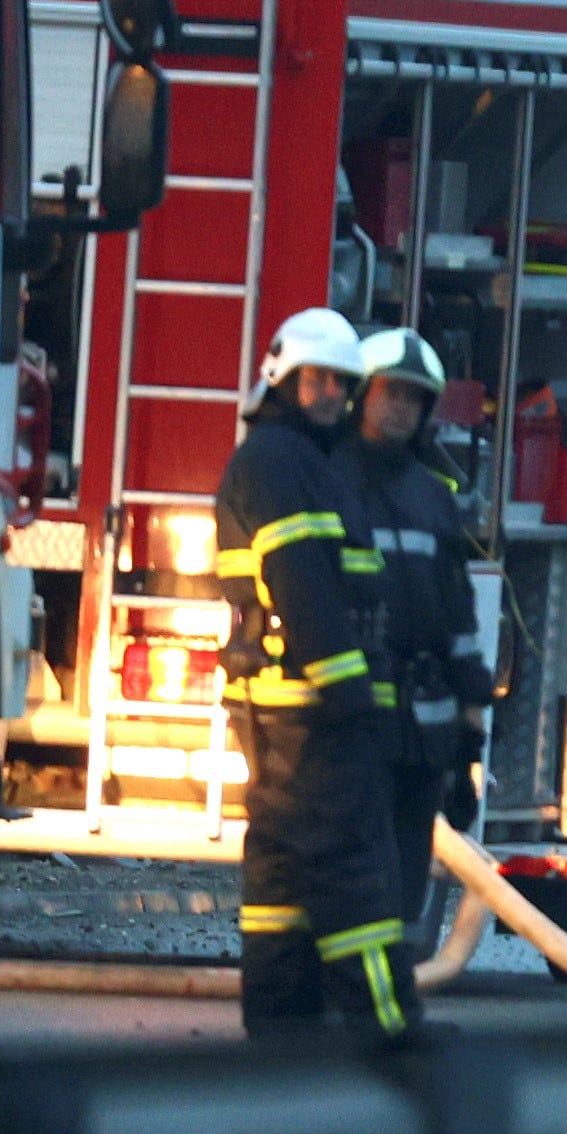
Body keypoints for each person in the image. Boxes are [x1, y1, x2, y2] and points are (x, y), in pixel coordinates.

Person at [216, 307, 418, 1039]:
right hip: (314, 719)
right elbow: (302, 584)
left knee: (281, 885)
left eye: (341, 381)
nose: (332, 392)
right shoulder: (280, 461)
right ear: (282, 377)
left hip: (286, 716)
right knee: (351, 876)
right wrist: (352, 696)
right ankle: (394, 1039)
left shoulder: (294, 459)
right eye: (318, 379)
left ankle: (280, 1038)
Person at [333, 328, 497, 928]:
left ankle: (393, 994)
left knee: (405, 880)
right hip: (354, 722)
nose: (400, 406)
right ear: (360, 396)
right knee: (355, 875)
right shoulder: (328, 482)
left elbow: (459, 621)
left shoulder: (433, 496)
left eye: (413, 397)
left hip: (423, 730)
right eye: (389, 392)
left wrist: (469, 744)